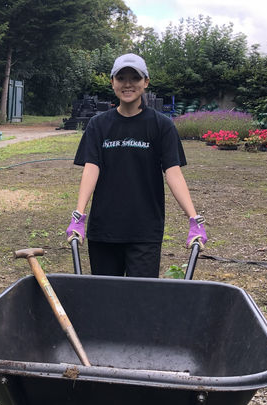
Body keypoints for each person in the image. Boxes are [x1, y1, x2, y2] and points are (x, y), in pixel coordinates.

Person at [66, 53, 207, 278]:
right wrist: (79, 216)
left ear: (146, 82)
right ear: (112, 82)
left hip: (145, 232)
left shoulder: (162, 126)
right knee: (106, 298)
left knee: (140, 301)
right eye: (121, 78)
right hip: (104, 230)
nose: (128, 84)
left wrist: (193, 218)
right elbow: (91, 169)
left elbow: (173, 173)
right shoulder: (98, 125)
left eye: (135, 77)